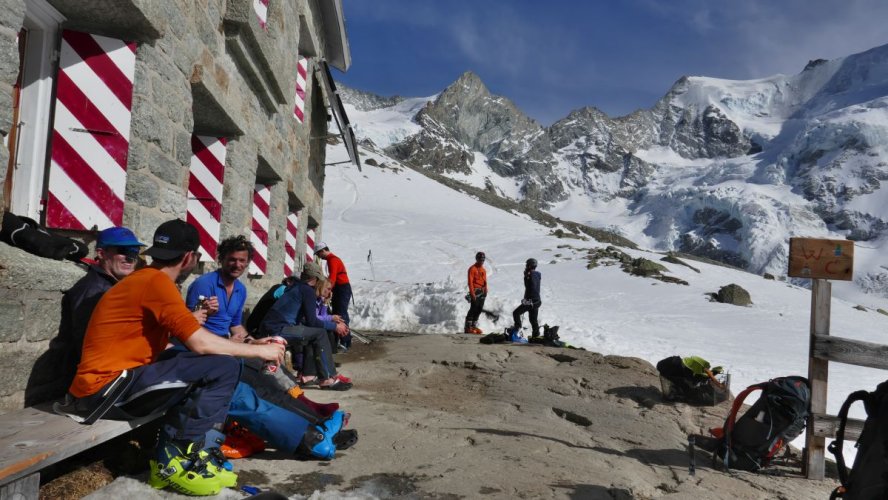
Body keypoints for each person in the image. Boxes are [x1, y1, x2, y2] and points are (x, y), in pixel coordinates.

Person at [55, 219, 286, 496]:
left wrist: (251, 343)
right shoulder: (157, 283)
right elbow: (200, 343)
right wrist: (261, 351)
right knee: (222, 367)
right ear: (190, 257)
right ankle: (174, 460)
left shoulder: (145, 278)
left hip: (107, 384)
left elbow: (178, 341)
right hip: (104, 393)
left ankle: (194, 450)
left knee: (204, 360)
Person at [185, 236, 343, 420]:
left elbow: (236, 326)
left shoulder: (240, 289)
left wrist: (254, 341)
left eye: (242, 261)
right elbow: (189, 328)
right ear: (221, 259)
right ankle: (308, 418)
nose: (237, 265)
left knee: (280, 371)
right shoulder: (203, 284)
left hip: (231, 346)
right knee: (268, 380)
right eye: (232, 259)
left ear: (247, 263)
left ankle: (309, 410)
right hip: (211, 350)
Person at [45, 226, 146, 397]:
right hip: (98, 384)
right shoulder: (92, 290)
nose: (130, 257)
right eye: (123, 250)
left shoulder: (113, 286)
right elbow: (88, 346)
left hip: (113, 373)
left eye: (134, 250)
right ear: (101, 253)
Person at [259, 261, 352, 390]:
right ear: (315, 279)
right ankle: (328, 379)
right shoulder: (307, 291)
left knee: (311, 333)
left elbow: (306, 320)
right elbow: (312, 321)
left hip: (269, 328)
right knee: (320, 333)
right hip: (279, 330)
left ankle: (308, 375)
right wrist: (334, 326)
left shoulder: (296, 287)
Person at [314, 242, 352, 328]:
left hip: (341, 289)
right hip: (341, 288)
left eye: (318, 254)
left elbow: (332, 278)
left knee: (340, 312)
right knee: (339, 311)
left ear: (323, 250)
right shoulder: (332, 259)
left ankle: (344, 338)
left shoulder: (332, 260)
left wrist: (327, 290)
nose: (318, 256)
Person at [509, 258, 542, 341]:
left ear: (530, 265)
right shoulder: (538, 274)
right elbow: (531, 286)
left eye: (527, 265)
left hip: (530, 300)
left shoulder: (530, 274)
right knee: (533, 319)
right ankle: (536, 335)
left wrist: (527, 300)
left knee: (516, 313)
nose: (526, 266)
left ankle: (517, 328)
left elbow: (530, 286)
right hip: (537, 301)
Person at [464, 251, 488, 334]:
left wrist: (486, 290)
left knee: (479, 309)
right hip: (475, 291)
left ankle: (474, 325)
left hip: (482, 291)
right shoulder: (472, 269)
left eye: (483, 260)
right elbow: (470, 282)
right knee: (473, 308)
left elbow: (485, 281)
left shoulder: (483, 270)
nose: (482, 261)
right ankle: (468, 327)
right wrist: (472, 293)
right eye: (480, 259)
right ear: (477, 259)